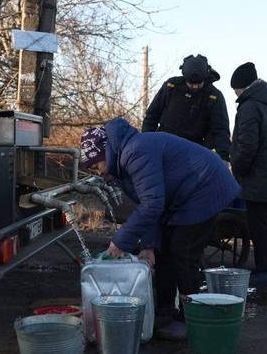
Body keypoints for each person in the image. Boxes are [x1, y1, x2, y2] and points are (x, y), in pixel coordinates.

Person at [80, 118, 241, 340]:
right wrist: (148, 246)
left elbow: (153, 204)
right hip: (183, 195)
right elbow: (148, 204)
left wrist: (120, 242)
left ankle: (190, 318)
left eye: (95, 165)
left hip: (205, 188)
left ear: (104, 153)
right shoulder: (123, 161)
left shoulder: (135, 152)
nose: (97, 171)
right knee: (163, 248)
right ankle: (165, 313)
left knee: (182, 251)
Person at [228, 62, 267, 295]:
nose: (235, 95)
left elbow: (246, 145)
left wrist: (238, 169)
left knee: (258, 226)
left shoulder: (249, 107)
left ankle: (265, 273)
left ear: (243, 88)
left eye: (235, 90)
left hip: (258, 176)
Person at [142, 54, 231, 162]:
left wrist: (224, 157)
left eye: (198, 84)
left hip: (194, 153)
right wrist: (146, 143)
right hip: (164, 146)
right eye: (191, 84)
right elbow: (151, 116)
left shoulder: (214, 96)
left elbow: (221, 130)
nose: (194, 87)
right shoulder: (171, 86)